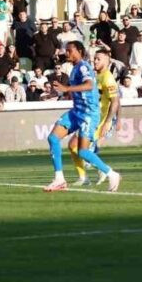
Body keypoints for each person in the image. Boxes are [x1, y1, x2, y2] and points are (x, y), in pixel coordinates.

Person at [43, 41, 121, 193]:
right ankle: (59, 179)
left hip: (88, 114)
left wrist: (66, 88)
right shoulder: (75, 68)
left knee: (83, 152)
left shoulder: (83, 66)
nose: (67, 53)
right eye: (66, 50)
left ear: (79, 51)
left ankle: (111, 174)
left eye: (70, 50)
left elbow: (89, 85)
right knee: (53, 138)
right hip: (76, 111)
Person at [69, 49, 121, 187]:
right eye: (94, 59)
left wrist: (109, 122)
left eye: (98, 59)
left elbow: (115, 101)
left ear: (107, 60)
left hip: (97, 119)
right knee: (74, 146)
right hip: (87, 115)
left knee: (79, 148)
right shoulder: (94, 75)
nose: (95, 61)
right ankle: (87, 176)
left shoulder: (108, 78)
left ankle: (106, 172)